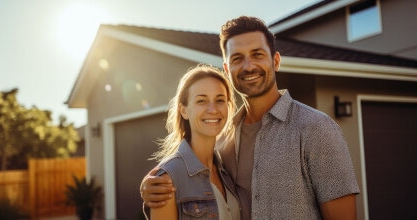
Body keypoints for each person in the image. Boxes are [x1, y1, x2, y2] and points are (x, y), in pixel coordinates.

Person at [140, 16, 360, 220]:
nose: (248, 66)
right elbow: (187, 175)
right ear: (227, 69)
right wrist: (151, 184)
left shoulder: (316, 128)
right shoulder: (223, 139)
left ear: (275, 61)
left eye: (257, 54)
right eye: (237, 58)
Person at [147, 64, 240, 220]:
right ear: (184, 110)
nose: (213, 109)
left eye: (220, 100)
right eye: (202, 101)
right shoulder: (167, 178)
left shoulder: (228, 169)